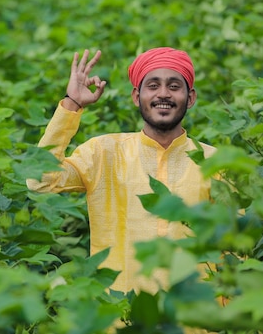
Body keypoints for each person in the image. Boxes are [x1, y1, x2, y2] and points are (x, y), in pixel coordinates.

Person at [26, 47, 216, 294]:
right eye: (153, 85)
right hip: (120, 313)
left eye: (173, 86)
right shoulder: (103, 152)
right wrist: (71, 105)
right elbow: (39, 180)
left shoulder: (215, 162)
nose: (163, 94)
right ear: (136, 96)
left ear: (190, 98)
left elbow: (234, 247)